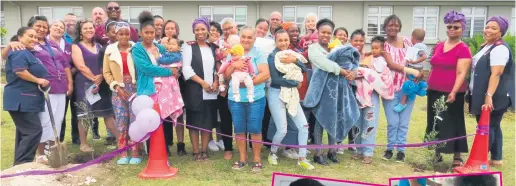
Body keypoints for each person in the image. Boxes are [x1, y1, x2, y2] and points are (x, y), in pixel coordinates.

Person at [304, 18, 359, 165]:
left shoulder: (337, 47)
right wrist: (342, 71)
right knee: (320, 121)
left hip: (338, 90)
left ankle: (332, 151)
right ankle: (318, 153)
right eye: (323, 32)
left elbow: (351, 61)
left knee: (335, 118)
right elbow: (324, 64)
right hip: (322, 89)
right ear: (317, 32)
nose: (326, 35)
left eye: (329, 33)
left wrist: (353, 72)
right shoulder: (313, 48)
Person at [23, 16, 73, 164]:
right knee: (45, 120)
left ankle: (54, 151)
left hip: (61, 86)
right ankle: (40, 154)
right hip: (45, 88)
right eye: (39, 26)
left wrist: (70, 83)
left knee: (58, 120)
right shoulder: (29, 44)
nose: (42, 29)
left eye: (44, 26)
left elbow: (65, 65)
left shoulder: (52, 44)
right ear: (31, 27)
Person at [426, 10, 472, 167]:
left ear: (462, 29)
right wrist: (428, 83)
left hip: (452, 93)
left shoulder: (463, 48)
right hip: (434, 90)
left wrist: (453, 91)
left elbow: (461, 73)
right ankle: (437, 154)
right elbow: (433, 66)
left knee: (454, 123)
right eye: (450, 26)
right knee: (436, 122)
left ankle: (457, 157)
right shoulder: (439, 46)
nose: (452, 29)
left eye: (456, 27)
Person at [468, 16, 515, 167]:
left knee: (487, 127)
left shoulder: (500, 48)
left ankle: (480, 161)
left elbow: (496, 73)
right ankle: (496, 158)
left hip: (495, 95)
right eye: (487, 27)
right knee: (494, 125)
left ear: (501, 32)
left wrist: (488, 96)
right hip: (485, 93)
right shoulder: (488, 46)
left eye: (494, 28)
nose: (488, 30)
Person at [132, 11, 178, 158]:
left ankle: (163, 147)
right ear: (140, 33)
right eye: (146, 32)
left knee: (163, 118)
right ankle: (151, 150)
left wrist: (177, 68)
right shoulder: (137, 49)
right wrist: (169, 72)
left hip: (163, 90)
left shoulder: (160, 47)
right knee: (149, 119)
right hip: (147, 89)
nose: (150, 35)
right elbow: (146, 68)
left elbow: (171, 59)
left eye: (152, 32)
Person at [224, 26, 270, 171]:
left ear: (254, 39)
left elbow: (265, 74)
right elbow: (225, 76)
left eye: (250, 37)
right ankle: (242, 158)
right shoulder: (232, 53)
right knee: (239, 128)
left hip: (255, 98)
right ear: (239, 37)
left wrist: (247, 84)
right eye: (243, 36)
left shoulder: (259, 53)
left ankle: (256, 158)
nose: (246, 40)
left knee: (255, 128)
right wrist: (234, 66)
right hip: (236, 99)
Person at [267, 29, 314, 170]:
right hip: (276, 93)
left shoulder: (292, 54)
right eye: (280, 40)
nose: (283, 43)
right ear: (275, 41)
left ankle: (302, 158)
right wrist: (296, 83)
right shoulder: (272, 56)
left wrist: (294, 60)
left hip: (292, 94)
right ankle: (273, 153)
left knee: (304, 126)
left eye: (286, 40)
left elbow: (304, 69)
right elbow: (276, 79)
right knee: (282, 129)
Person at [3, 27, 50, 166]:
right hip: (21, 99)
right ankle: (23, 164)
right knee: (33, 131)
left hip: (29, 99)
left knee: (24, 132)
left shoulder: (29, 53)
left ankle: (19, 165)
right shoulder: (20, 52)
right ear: (20, 38)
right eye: (30, 36)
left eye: (36, 37)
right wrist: (38, 80)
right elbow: (20, 72)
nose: (34, 39)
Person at [71, 20, 118, 152]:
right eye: (85, 28)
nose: (89, 30)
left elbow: (106, 64)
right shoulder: (76, 46)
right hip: (84, 83)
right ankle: (84, 144)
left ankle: (121, 140)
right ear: (80, 31)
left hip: (101, 84)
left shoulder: (99, 46)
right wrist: (94, 79)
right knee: (85, 114)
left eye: (91, 28)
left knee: (108, 113)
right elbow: (80, 66)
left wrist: (101, 77)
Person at [352, 35, 395, 164]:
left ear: (382, 49)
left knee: (370, 124)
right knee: (358, 123)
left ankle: (368, 152)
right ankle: (360, 150)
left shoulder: (382, 61)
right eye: (373, 48)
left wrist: (366, 70)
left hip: (372, 96)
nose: (374, 50)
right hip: (360, 95)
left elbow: (376, 76)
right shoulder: (367, 58)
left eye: (377, 48)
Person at [102, 21, 141, 165]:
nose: (124, 36)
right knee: (121, 121)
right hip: (118, 89)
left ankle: (136, 151)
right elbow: (106, 72)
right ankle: (123, 152)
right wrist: (116, 87)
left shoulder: (136, 48)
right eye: (121, 34)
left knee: (135, 121)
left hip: (135, 89)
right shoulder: (109, 50)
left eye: (127, 34)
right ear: (116, 35)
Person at [381, 14, 418, 162]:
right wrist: (412, 71)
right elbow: (391, 65)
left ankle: (401, 151)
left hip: (408, 88)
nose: (393, 27)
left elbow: (414, 60)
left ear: (399, 27)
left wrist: (416, 71)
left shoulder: (407, 42)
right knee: (392, 122)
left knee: (403, 122)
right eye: (390, 25)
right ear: (385, 27)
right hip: (390, 88)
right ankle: (390, 148)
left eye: (396, 25)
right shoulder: (383, 45)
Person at [181, 17, 219, 161]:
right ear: (193, 31)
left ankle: (204, 151)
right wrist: (203, 83)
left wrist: (215, 82)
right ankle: (196, 151)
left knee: (207, 122)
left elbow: (217, 67)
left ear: (208, 30)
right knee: (194, 122)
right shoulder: (189, 46)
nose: (200, 32)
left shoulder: (213, 48)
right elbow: (186, 68)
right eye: (197, 30)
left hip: (211, 91)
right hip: (194, 89)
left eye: (203, 29)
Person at [160, 19, 187, 156]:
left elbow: (184, 64)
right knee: (164, 114)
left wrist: (178, 71)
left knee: (179, 113)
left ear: (176, 31)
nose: (170, 30)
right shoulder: (160, 46)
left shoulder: (181, 47)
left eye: (173, 28)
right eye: (167, 28)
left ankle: (181, 144)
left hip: (178, 84)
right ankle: (166, 143)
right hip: (163, 86)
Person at [209, 21, 234, 159]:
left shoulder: (239, 42)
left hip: (239, 87)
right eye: (225, 29)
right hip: (223, 87)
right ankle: (228, 147)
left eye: (230, 28)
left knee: (242, 120)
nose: (228, 31)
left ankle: (245, 147)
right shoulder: (217, 45)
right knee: (225, 119)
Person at [394, 28, 428, 112]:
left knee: (408, 85)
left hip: (414, 68)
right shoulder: (422, 46)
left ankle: (402, 103)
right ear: (423, 39)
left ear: (412, 37)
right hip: (419, 68)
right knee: (415, 82)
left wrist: (414, 61)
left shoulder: (417, 47)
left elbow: (424, 56)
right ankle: (422, 89)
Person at [154, 36, 184, 122]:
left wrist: (158, 58)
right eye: (169, 44)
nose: (171, 46)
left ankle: (171, 108)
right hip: (165, 77)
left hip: (170, 79)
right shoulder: (167, 53)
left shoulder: (177, 56)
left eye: (173, 44)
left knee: (170, 94)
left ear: (178, 47)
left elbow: (165, 61)